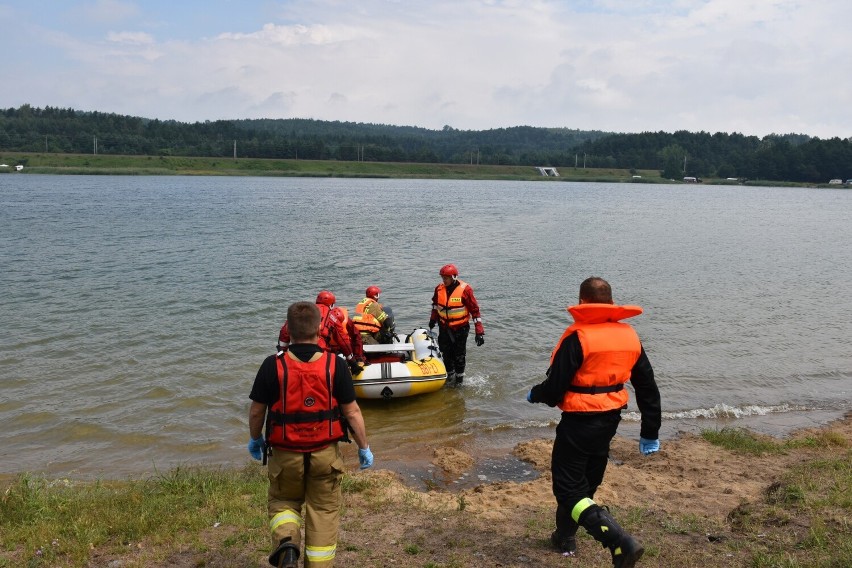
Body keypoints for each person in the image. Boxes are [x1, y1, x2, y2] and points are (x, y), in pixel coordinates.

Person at [526, 277, 661, 568]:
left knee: (568, 489)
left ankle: (619, 541)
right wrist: (650, 431)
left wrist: (535, 394)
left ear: (582, 302)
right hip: (610, 420)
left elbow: (555, 388)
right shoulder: (629, 336)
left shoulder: (578, 337)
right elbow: (648, 387)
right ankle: (565, 537)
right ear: (612, 303)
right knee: (586, 482)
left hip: (579, 421)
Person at [248, 301, 373, 568]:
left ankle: (287, 544)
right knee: (324, 512)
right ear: (319, 328)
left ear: (288, 330)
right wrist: (364, 447)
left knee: (283, 502)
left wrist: (255, 438)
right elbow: (352, 413)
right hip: (325, 457)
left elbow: (257, 411)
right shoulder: (335, 366)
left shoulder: (272, 366)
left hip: (285, 456)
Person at [278, 290, 365, 375]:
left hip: (295, 350)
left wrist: (282, 351)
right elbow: (343, 340)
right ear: (331, 305)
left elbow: (284, 331)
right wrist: (352, 361)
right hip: (320, 351)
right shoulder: (332, 316)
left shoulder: (305, 311)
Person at [429, 264, 484, 386]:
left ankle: (459, 381)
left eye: (446, 278)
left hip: (460, 328)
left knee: (459, 355)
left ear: (454, 277)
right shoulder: (439, 289)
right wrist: (433, 319)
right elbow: (435, 305)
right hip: (444, 327)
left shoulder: (466, 290)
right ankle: (450, 376)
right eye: (443, 278)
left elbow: (475, 311)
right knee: (446, 353)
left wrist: (479, 331)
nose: (444, 280)